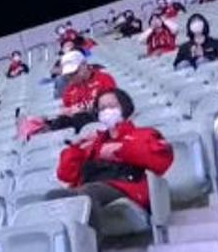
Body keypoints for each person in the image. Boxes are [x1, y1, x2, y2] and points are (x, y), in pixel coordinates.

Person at [48, 89, 174, 232]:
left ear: (125, 109)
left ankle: (90, 250)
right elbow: (65, 175)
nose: (107, 111)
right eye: (102, 108)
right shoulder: (95, 142)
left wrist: (121, 150)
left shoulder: (144, 134)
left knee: (87, 193)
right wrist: (77, 147)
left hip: (128, 186)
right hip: (92, 186)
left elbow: (161, 161)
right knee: (54, 196)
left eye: (112, 106)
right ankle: (70, 249)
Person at [45, 50, 117, 132]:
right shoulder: (70, 89)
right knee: (61, 122)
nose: (71, 77)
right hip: (78, 124)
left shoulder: (104, 79)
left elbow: (112, 106)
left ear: (84, 65)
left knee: (81, 117)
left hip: (100, 121)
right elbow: (66, 107)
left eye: (74, 72)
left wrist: (84, 110)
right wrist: (66, 111)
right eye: (68, 75)